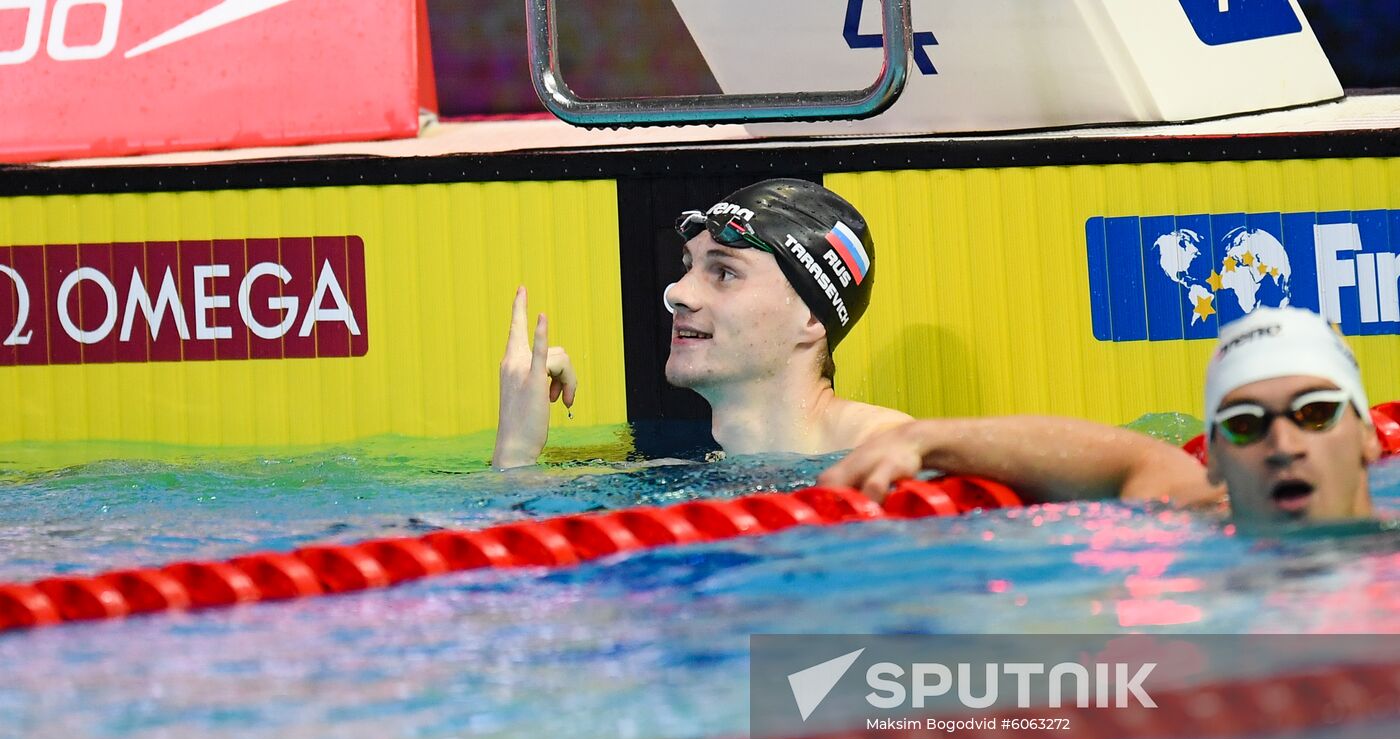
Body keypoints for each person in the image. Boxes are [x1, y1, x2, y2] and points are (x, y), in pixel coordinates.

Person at [820, 306, 1383, 524]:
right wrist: (922, 440)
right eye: (1244, 423)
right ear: (1212, 461)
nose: (1283, 443)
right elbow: (1125, 455)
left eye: (1314, 413)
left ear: (1369, 440)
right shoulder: (1197, 516)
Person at [493, 178, 911, 468]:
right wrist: (516, 450)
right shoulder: (697, 473)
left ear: (812, 317)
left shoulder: (884, 449)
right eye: (688, 267)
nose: (677, 293)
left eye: (724, 273)